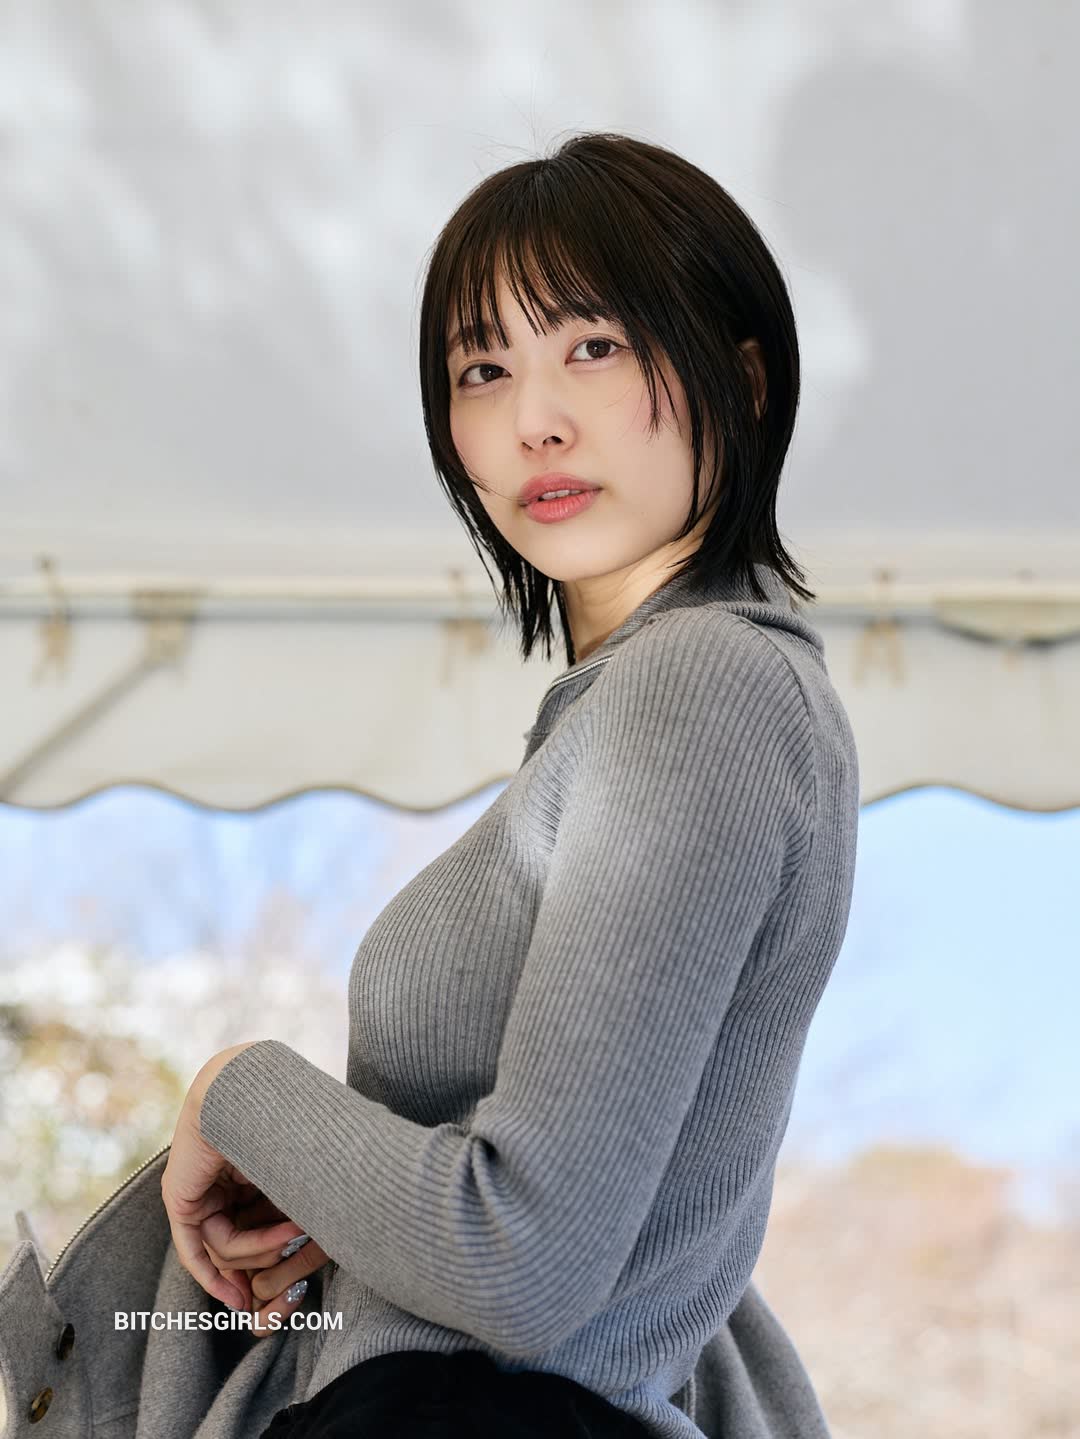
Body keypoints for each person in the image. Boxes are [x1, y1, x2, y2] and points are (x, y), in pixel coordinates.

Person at [0, 131, 859, 1439]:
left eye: (594, 346)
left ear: (740, 379)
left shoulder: (700, 686)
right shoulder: (672, 703)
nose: (535, 419)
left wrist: (237, 1089)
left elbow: (519, 1262)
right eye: (482, 369)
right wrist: (340, 1201)